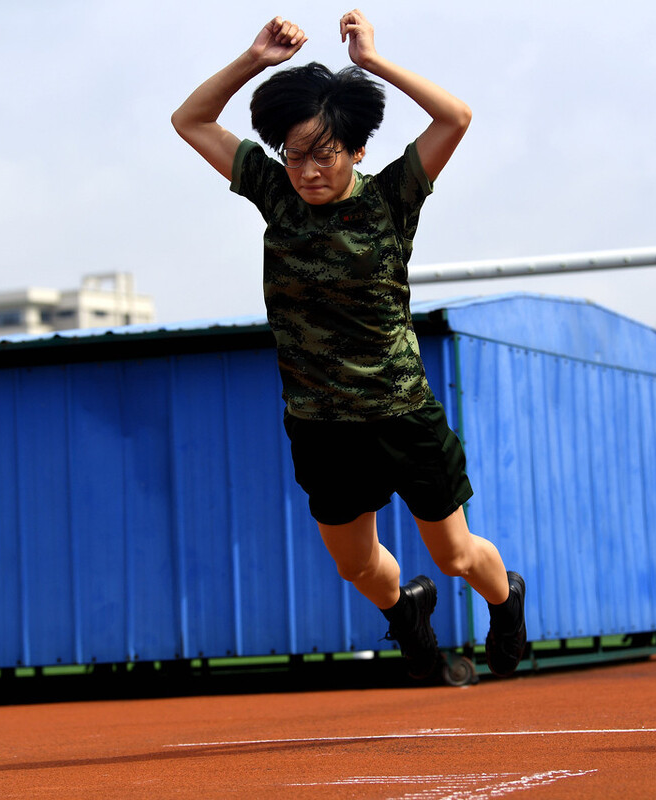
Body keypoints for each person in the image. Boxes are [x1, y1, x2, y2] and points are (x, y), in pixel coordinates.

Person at [171, 10, 526, 680]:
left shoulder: (392, 197)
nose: (307, 170)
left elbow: (456, 117)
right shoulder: (275, 195)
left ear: (357, 150)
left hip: (400, 411)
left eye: (323, 154)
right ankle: (410, 616)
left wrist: (372, 62)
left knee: (453, 554)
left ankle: (506, 605)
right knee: (355, 564)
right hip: (321, 424)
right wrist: (254, 59)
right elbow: (189, 121)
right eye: (294, 154)